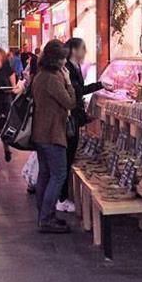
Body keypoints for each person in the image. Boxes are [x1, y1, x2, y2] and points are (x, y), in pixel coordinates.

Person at [58, 38, 112, 213]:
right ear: (74, 50)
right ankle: (62, 199)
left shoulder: (74, 67)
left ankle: (62, 196)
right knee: (66, 159)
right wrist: (99, 85)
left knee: (68, 157)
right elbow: (75, 92)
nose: (85, 52)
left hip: (74, 119)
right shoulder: (68, 69)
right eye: (83, 48)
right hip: (68, 121)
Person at [30, 40, 76, 233]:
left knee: (45, 174)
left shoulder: (40, 76)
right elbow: (70, 103)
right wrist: (69, 82)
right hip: (52, 133)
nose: (65, 61)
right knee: (58, 175)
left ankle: (43, 214)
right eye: (63, 57)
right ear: (57, 59)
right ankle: (46, 218)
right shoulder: (53, 78)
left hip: (40, 132)